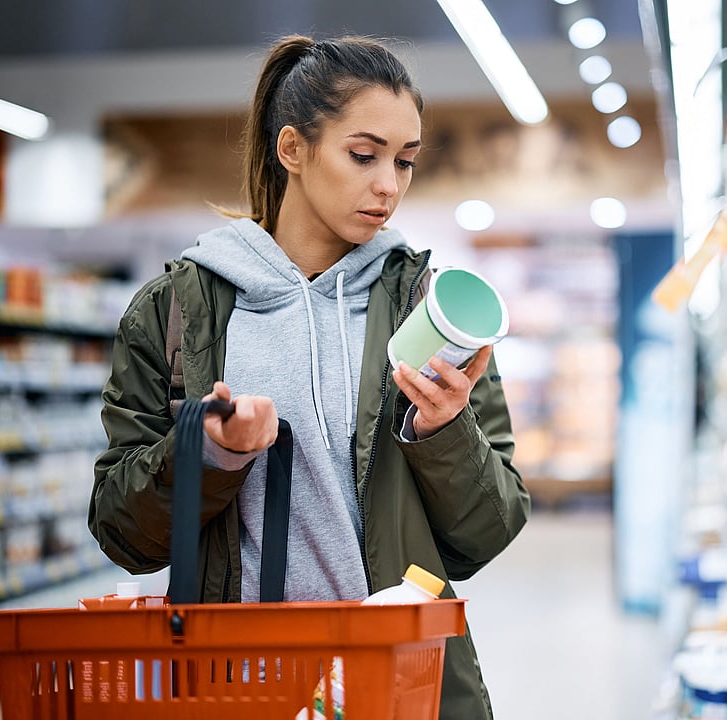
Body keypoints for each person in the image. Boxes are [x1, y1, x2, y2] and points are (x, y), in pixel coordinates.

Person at [89, 33, 530, 719]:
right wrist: (211, 455)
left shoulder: (428, 309)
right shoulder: (177, 311)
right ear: (291, 148)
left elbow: (488, 531)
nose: (388, 184)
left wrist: (444, 431)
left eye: (405, 161)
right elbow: (122, 532)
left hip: (398, 686)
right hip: (237, 686)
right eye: (363, 155)